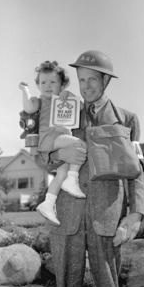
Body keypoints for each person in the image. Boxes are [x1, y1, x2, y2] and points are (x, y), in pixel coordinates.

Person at [35, 50, 144, 287]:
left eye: (93, 79)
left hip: (107, 215)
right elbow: (41, 157)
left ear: (105, 80)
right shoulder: (63, 112)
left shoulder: (127, 119)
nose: (87, 86)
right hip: (66, 215)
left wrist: (136, 213)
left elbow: (137, 170)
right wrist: (59, 152)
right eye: (82, 80)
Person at [19, 60, 86, 225]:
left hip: (60, 138)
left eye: (53, 82)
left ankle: (48, 203)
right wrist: (25, 90)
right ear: (38, 84)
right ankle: (73, 178)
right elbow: (28, 107)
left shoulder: (64, 97)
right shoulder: (39, 101)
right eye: (43, 82)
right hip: (50, 138)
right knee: (81, 145)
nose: (47, 86)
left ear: (62, 84)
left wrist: (70, 96)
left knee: (61, 173)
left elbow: (81, 107)